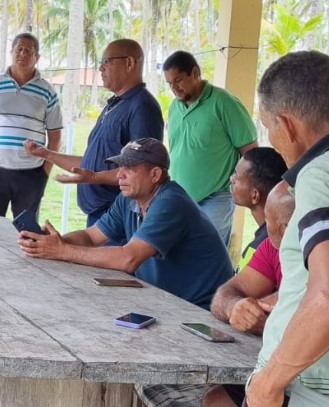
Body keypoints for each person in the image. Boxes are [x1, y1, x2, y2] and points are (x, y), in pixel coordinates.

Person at [19, 138, 232, 407]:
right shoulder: (129, 200)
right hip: (168, 309)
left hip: (202, 320)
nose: (120, 174)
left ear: (155, 174)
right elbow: (92, 237)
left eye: (129, 169)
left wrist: (60, 251)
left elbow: (128, 258)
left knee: (148, 375)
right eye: (119, 167)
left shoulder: (170, 202)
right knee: (139, 362)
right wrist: (51, 242)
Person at [241, 51, 329, 407]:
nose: (271, 140)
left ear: (286, 124)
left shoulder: (320, 173)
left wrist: (268, 383)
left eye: (267, 127)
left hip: (307, 405)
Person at [24, 39, 164, 226]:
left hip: (120, 217)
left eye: (107, 61)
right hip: (100, 215)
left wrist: (94, 178)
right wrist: (47, 154)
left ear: (129, 63)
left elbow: (142, 172)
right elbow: (90, 165)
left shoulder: (142, 107)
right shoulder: (114, 106)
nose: (101, 68)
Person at [202, 181, 294, 407]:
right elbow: (227, 292)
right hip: (268, 366)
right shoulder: (270, 248)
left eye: (269, 221)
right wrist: (235, 307)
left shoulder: (319, 255)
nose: (265, 229)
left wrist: (271, 320)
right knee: (215, 406)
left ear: (285, 227)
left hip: (311, 383)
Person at [163, 50, 258, 245]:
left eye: (178, 80)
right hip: (181, 196)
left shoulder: (224, 103)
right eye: (169, 83)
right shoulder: (174, 107)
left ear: (195, 73)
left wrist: (244, 187)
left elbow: (250, 151)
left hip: (218, 196)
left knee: (209, 252)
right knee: (180, 252)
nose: (174, 87)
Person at [0, 33, 62, 219]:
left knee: (26, 234)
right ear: (11, 52)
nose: (22, 54)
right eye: (19, 49)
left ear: (37, 57)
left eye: (28, 51)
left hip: (32, 174)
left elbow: (55, 135)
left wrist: (44, 172)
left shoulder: (47, 91)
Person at [230, 148, 287, 271]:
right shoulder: (280, 234)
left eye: (237, 176)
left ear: (255, 195)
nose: (231, 179)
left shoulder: (263, 247)